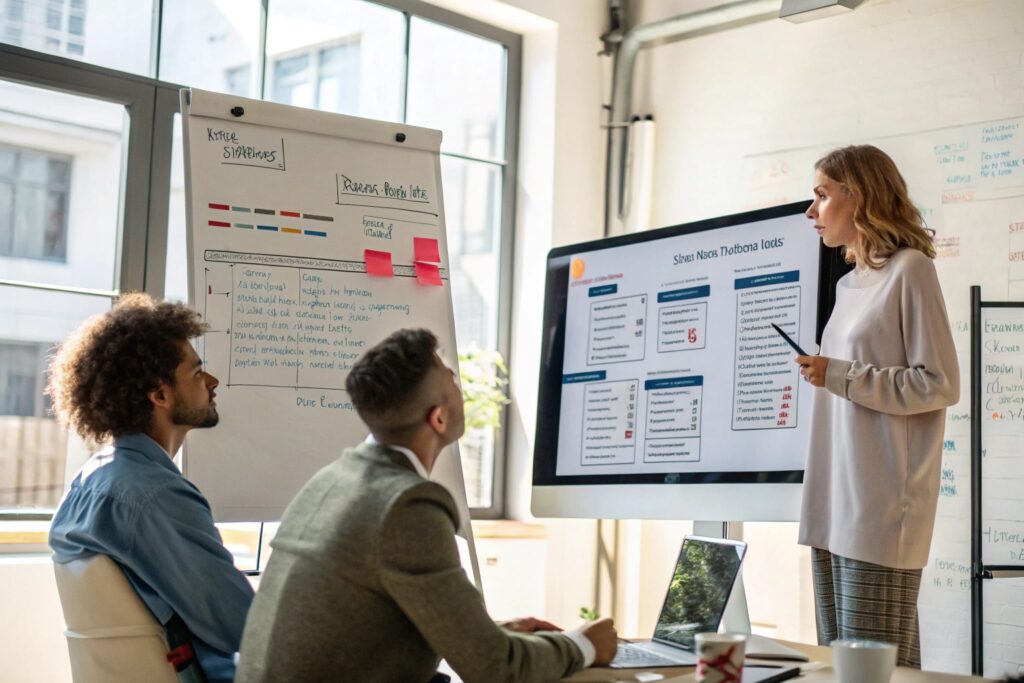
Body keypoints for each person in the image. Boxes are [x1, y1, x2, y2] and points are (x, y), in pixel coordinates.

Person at [237, 328, 617, 682]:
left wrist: (485, 633)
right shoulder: (406, 507)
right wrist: (583, 644)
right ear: (438, 417)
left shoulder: (334, 478)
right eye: (453, 380)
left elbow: (369, 630)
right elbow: (494, 668)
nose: (460, 385)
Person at [794, 145, 959, 667]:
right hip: (833, 504)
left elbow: (938, 383)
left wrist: (838, 373)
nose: (810, 210)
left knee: (875, 672)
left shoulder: (911, 271)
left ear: (857, 196)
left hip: (880, 509)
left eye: (822, 194)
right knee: (846, 669)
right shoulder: (848, 286)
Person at [48, 293, 254, 682]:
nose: (212, 382)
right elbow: (244, 626)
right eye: (197, 373)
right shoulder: (155, 495)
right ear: (159, 395)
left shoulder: (89, 483)